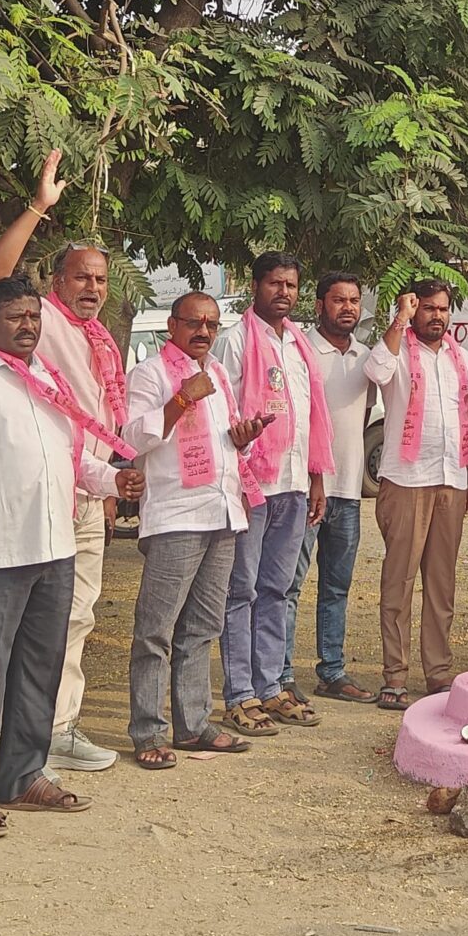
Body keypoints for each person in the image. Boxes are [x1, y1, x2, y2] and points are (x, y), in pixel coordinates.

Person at [0, 278, 141, 830]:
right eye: (16, 317)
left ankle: (22, 774)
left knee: (39, 669)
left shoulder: (48, 380)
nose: (28, 326)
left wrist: (114, 480)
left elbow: (69, 461)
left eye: (34, 318)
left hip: (54, 547)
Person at [0, 152, 127, 775]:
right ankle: (15, 740)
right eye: (81, 278)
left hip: (88, 493)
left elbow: (102, 425)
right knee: (31, 625)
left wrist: (110, 486)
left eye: (101, 280)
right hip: (38, 499)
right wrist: (39, 206)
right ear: (56, 283)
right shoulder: (43, 322)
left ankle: (57, 728)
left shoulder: (102, 339)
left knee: (78, 617)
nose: (92, 288)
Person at [122, 294, 265, 764]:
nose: (203, 332)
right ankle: (148, 733)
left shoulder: (218, 374)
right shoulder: (151, 374)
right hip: (176, 516)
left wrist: (239, 440)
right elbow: (134, 439)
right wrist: (181, 398)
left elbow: (218, 441)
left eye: (211, 324)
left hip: (221, 512)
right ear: (171, 325)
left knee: (203, 625)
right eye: (193, 323)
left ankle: (194, 724)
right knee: (156, 631)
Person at [213, 250, 332, 737]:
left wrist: (317, 479)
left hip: (294, 484)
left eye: (291, 285)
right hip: (251, 486)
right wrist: (235, 480)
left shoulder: (300, 344)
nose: (284, 293)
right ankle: (239, 694)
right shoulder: (236, 341)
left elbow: (310, 418)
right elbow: (221, 415)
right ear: (255, 287)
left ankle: (270, 686)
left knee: (277, 589)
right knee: (240, 590)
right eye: (274, 284)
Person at [365, 279, 468, 706]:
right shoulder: (397, 350)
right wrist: (400, 318)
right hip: (407, 481)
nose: (436, 316)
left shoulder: (461, 358)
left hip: (451, 479)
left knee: (441, 585)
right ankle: (394, 675)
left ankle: (438, 673)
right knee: (399, 582)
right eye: (427, 308)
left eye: (442, 309)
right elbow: (374, 372)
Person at [297, 271, 378, 702]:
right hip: (305, 489)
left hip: (347, 491)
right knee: (287, 586)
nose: (348, 307)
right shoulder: (302, 350)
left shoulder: (367, 358)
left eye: (354, 299)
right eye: (338, 300)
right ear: (319, 305)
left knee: (336, 586)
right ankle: (278, 677)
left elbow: (360, 418)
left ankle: (332, 672)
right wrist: (315, 476)